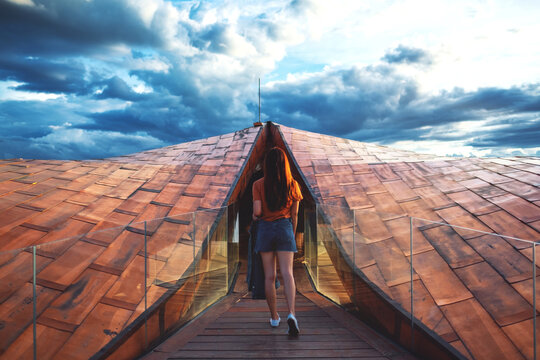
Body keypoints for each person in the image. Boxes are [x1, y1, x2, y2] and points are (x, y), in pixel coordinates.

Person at [252, 147, 303, 336]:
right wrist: (291, 232)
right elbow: (295, 214)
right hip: (285, 228)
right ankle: (292, 314)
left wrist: (253, 214)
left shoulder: (258, 184)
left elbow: (258, 213)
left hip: (265, 228)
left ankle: (274, 317)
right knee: (288, 274)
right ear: (284, 164)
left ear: (266, 165)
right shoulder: (293, 184)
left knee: (269, 277)